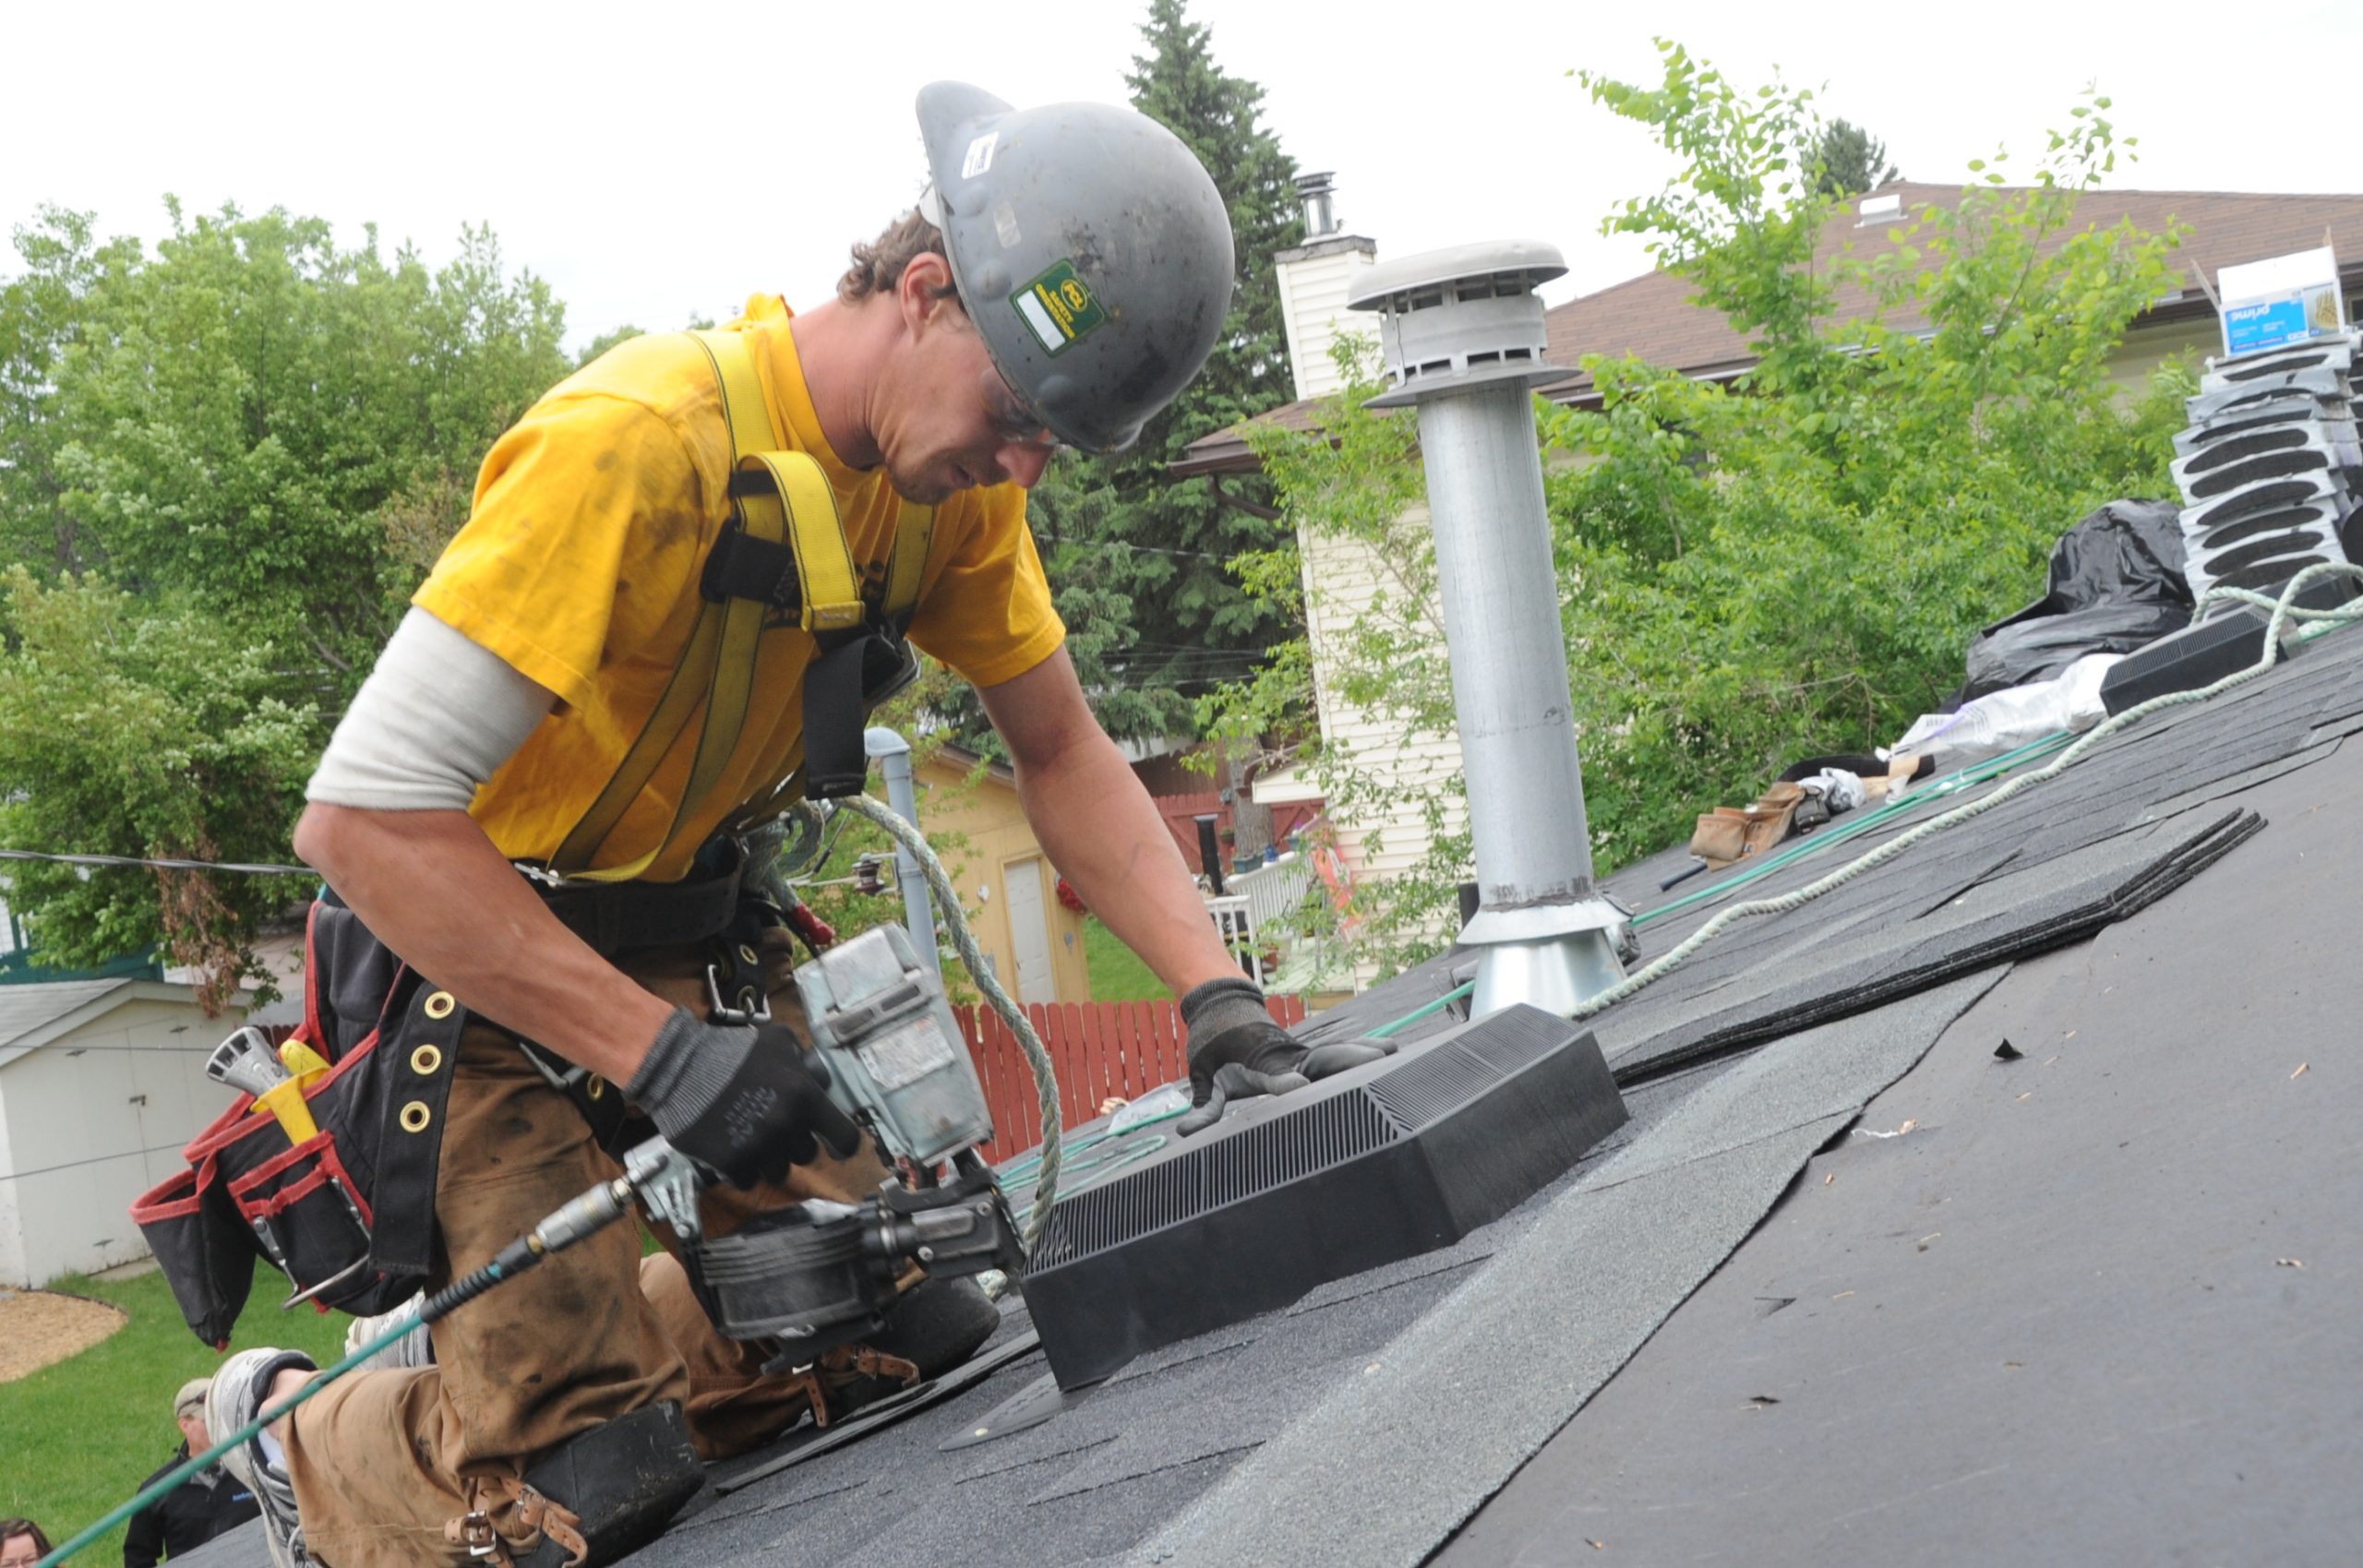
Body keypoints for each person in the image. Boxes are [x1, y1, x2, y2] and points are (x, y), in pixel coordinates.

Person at [207, 80, 1379, 1568]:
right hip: (480, 982)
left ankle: (604, 1330)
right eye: (1017, 415)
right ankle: (302, 1429)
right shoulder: (635, 449)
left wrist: (1220, 998)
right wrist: (656, 1056)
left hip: (698, 943)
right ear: (923, 290)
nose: (1021, 470)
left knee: (894, 1324)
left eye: (1056, 446)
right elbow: (362, 824)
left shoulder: (951, 496)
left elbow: (1065, 752)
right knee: (593, 1480)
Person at [123, 1380, 260, 1568]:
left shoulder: (253, 1470)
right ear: (184, 1425)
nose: (218, 1427)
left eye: (220, 1418)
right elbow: (138, 1556)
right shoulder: (157, 1490)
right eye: (207, 1421)